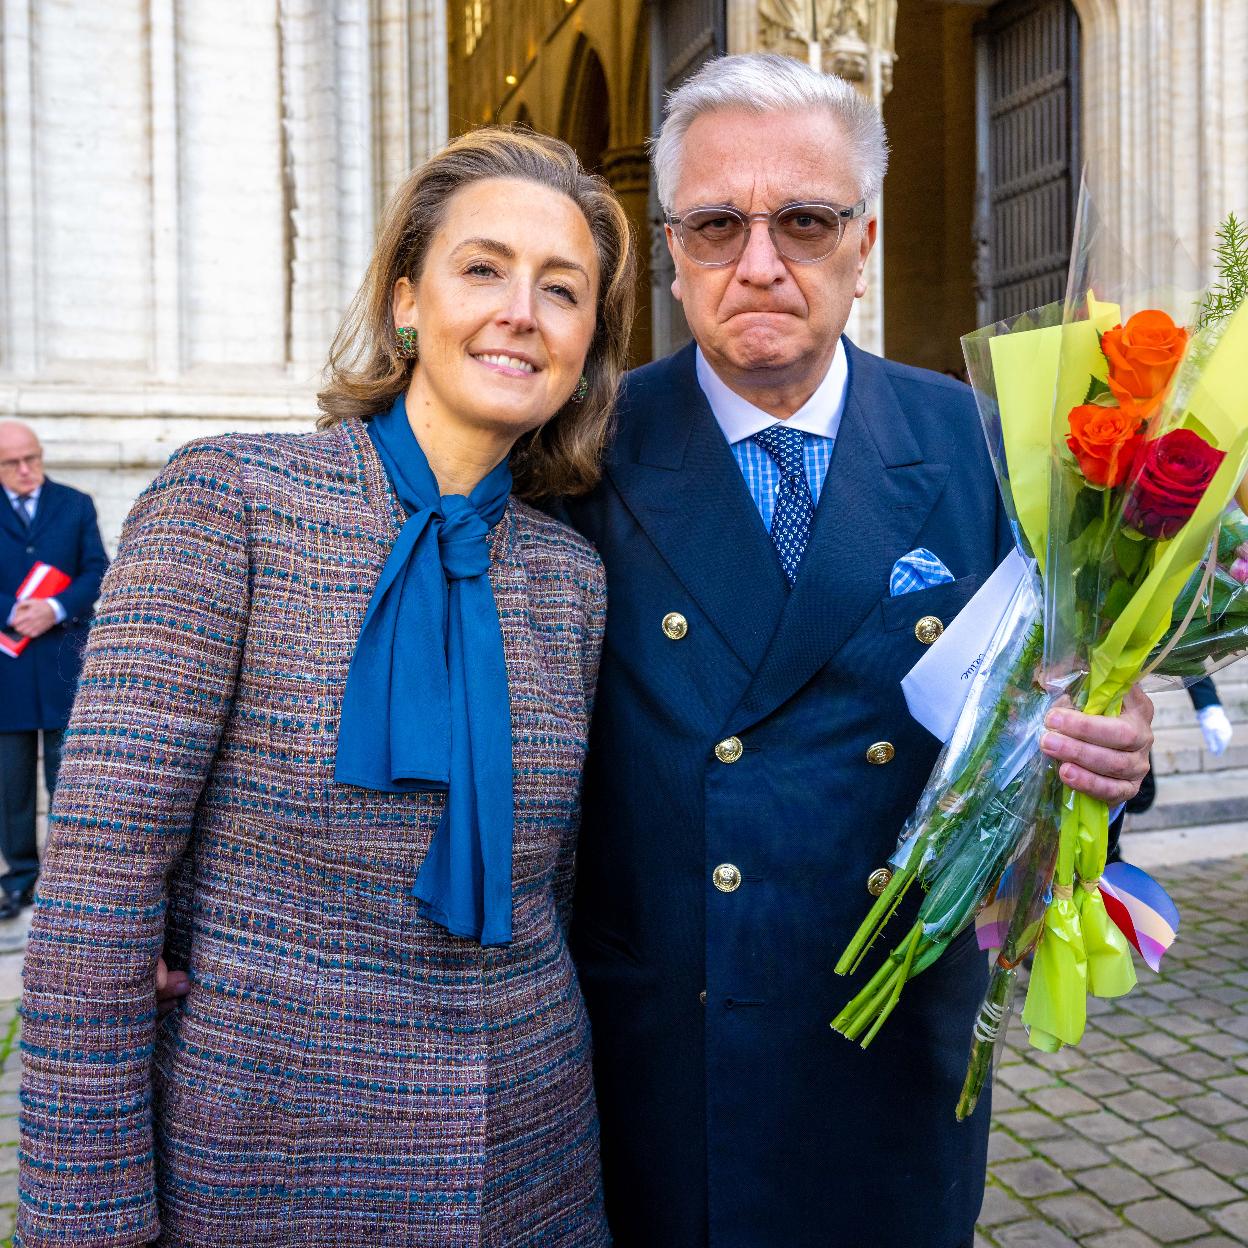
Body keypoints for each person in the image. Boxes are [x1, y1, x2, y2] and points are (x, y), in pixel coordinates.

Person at [559, 54, 1154, 1248]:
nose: (762, 263)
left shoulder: (989, 443)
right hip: (665, 1055)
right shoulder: (581, 449)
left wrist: (1110, 758)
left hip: (889, 1055)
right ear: (668, 245)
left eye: (807, 221)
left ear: (865, 240)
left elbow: (1063, 717)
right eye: (718, 224)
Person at [18, 127, 635, 1247]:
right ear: (407, 302)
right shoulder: (233, 503)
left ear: (589, 345)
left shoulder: (574, 578)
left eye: (563, 290)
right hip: (269, 1163)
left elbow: (562, 888)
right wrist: (87, 1221)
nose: (521, 312)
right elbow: (99, 895)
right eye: (482, 268)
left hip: (529, 1169)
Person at [0, 419, 107, 921]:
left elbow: (97, 570)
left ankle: (65, 883)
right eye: (14, 463)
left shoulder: (74, 503)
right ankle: (19, 878)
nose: (27, 470)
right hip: (9, 671)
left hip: (64, 662)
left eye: (33, 458)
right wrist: (12, 612)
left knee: (67, 779)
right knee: (10, 784)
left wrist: (56, 607)